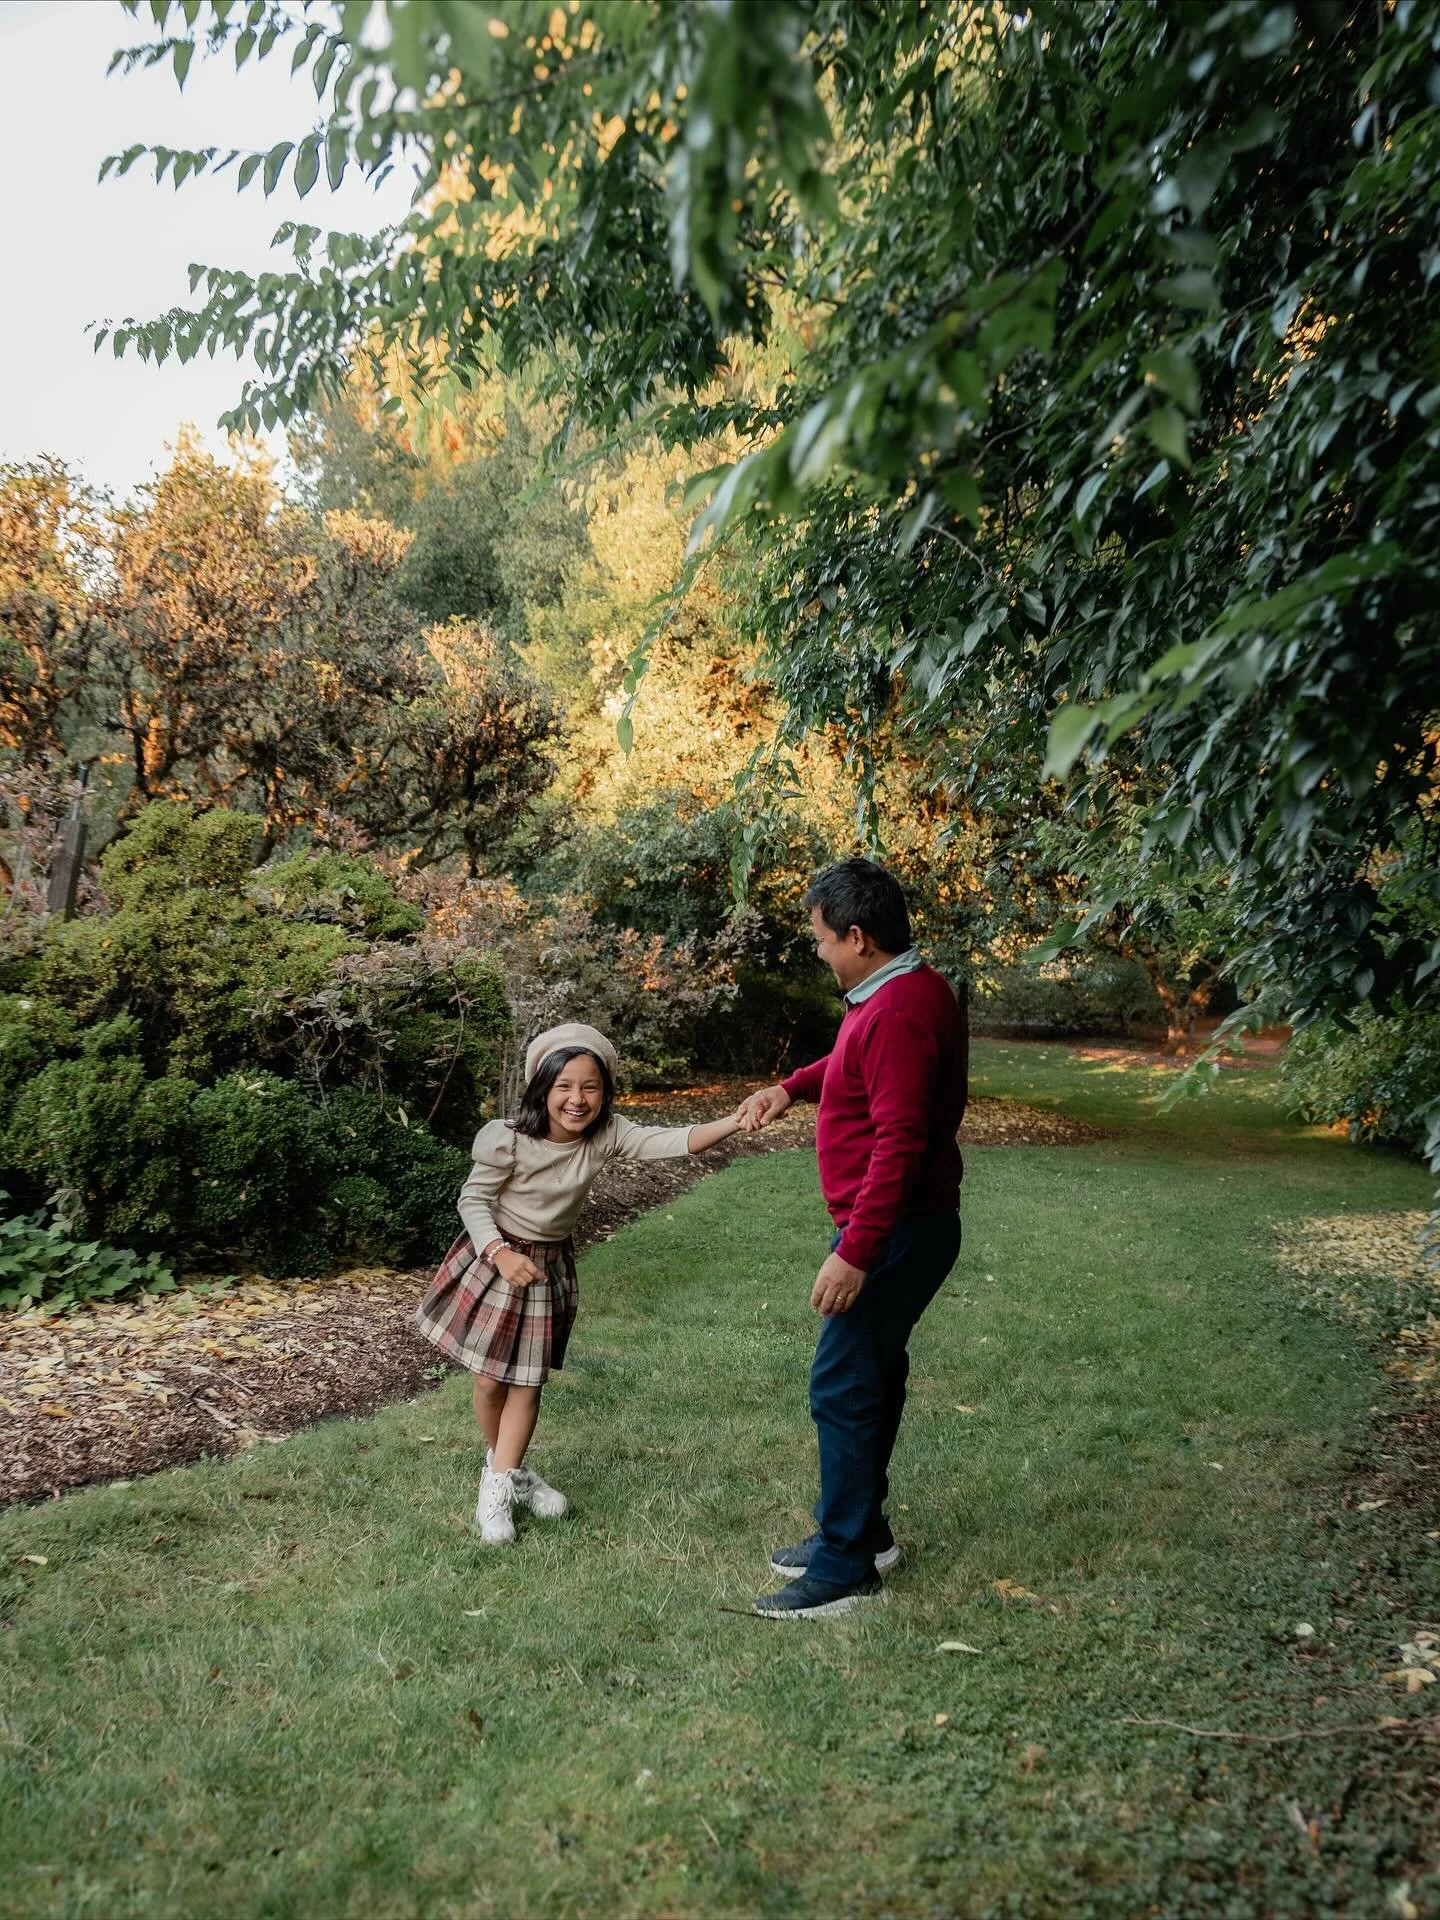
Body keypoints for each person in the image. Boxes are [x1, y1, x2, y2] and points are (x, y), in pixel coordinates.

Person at [739, 859, 968, 1618]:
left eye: (821, 939)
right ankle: (862, 1532)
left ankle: (845, 1567)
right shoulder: (893, 992)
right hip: (901, 1227)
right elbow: (851, 1064)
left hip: (896, 1230)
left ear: (859, 937)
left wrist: (856, 1251)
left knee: (840, 1385)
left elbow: (899, 1141)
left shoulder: (900, 1008)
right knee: (869, 1376)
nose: (818, 952)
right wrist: (790, 1086)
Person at [415, 1021, 745, 1545]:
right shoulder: (509, 1139)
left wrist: (735, 1118)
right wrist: (498, 1254)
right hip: (495, 1258)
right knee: (487, 1381)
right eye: (564, 1086)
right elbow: (472, 1201)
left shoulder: (607, 1135)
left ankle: (498, 1485)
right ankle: (510, 1468)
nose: (576, 1099)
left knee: (526, 1382)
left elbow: (675, 1141)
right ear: (542, 1087)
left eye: (590, 1087)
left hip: (546, 1268)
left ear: (605, 1094)